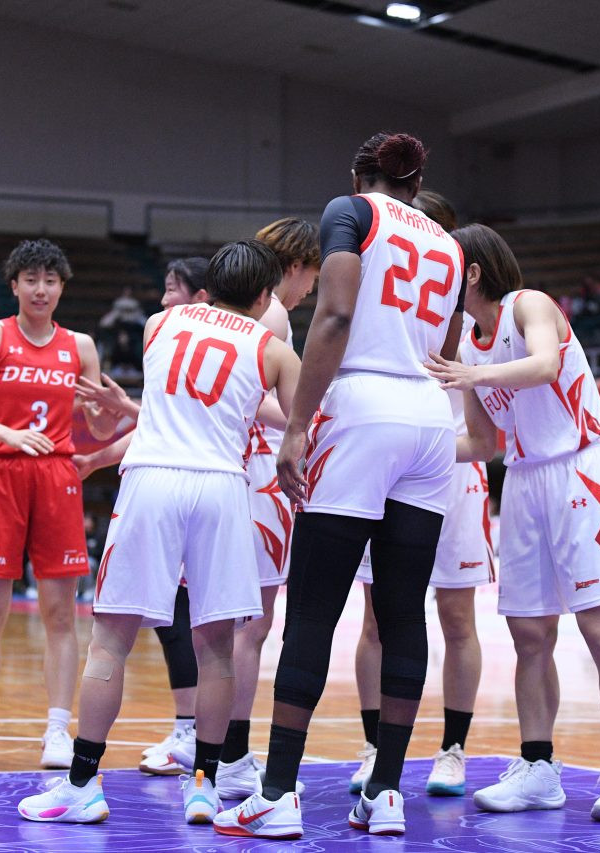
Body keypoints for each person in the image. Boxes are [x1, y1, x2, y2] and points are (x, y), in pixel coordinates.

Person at [216, 131, 464, 840]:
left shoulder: (350, 212)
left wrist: (298, 425)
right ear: (416, 184)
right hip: (429, 417)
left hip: (361, 408)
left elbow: (335, 314)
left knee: (314, 609)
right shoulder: (450, 245)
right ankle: (386, 792)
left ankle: (276, 792)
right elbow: (446, 349)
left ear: (360, 177)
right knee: (403, 611)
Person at [16, 240, 301, 827]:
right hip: (223, 486)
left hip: (152, 480)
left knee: (109, 642)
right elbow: (301, 431)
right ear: (265, 296)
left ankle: (82, 785)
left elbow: (168, 400)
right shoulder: (274, 349)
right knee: (217, 649)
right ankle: (206, 787)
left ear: (208, 288)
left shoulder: (157, 323)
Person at [426, 223, 600, 822]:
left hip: (582, 471)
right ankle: (538, 768)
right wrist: (409, 449)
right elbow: (482, 443)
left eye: (445, 270)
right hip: (523, 482)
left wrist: (472, 376)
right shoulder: (467, 344)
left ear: (472, 272)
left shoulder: (529, 305)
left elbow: (546, 365)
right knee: (529, 635)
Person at [0, 239, 117, 770]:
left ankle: (58, 731)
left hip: (58, 476)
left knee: (61, 614)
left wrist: (106, 411)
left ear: (62, 287)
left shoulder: (80, 346)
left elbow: (99, 428)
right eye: (31, 279)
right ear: (14, 285)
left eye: (50, 280)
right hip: (1, 473)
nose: (40, 289)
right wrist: (7, 433)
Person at [348, 192, 494, 800]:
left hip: (452, 475)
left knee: (457, 618)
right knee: (376, 618)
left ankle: (453, 749)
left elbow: (484, 439)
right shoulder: (377, 311)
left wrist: (430, 449)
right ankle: (375, 745)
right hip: (389, 470)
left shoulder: (470, 329)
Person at [74, 257, 211, 777]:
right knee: (186, 622)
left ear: (200, 297)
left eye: (173, 289)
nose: (163, 300)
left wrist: (123, 411)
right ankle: (200, 741)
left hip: (187, 487)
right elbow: (159, 422)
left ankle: (203, 742)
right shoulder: (212, 341)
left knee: (140, 628)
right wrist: (96, 457)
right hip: (207, 488)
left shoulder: (175, 338)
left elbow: (168, 421)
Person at [210, 218, 319, 799]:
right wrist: (314, 422)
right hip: (258, 471)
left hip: (236, 470)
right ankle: (231, 756)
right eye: (312, 278)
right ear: (295, 266)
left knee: (232, 624)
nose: (310, 292)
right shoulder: (272, 314)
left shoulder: (241, 312)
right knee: (251, 626)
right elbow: (259, 407)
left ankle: (217, 749)